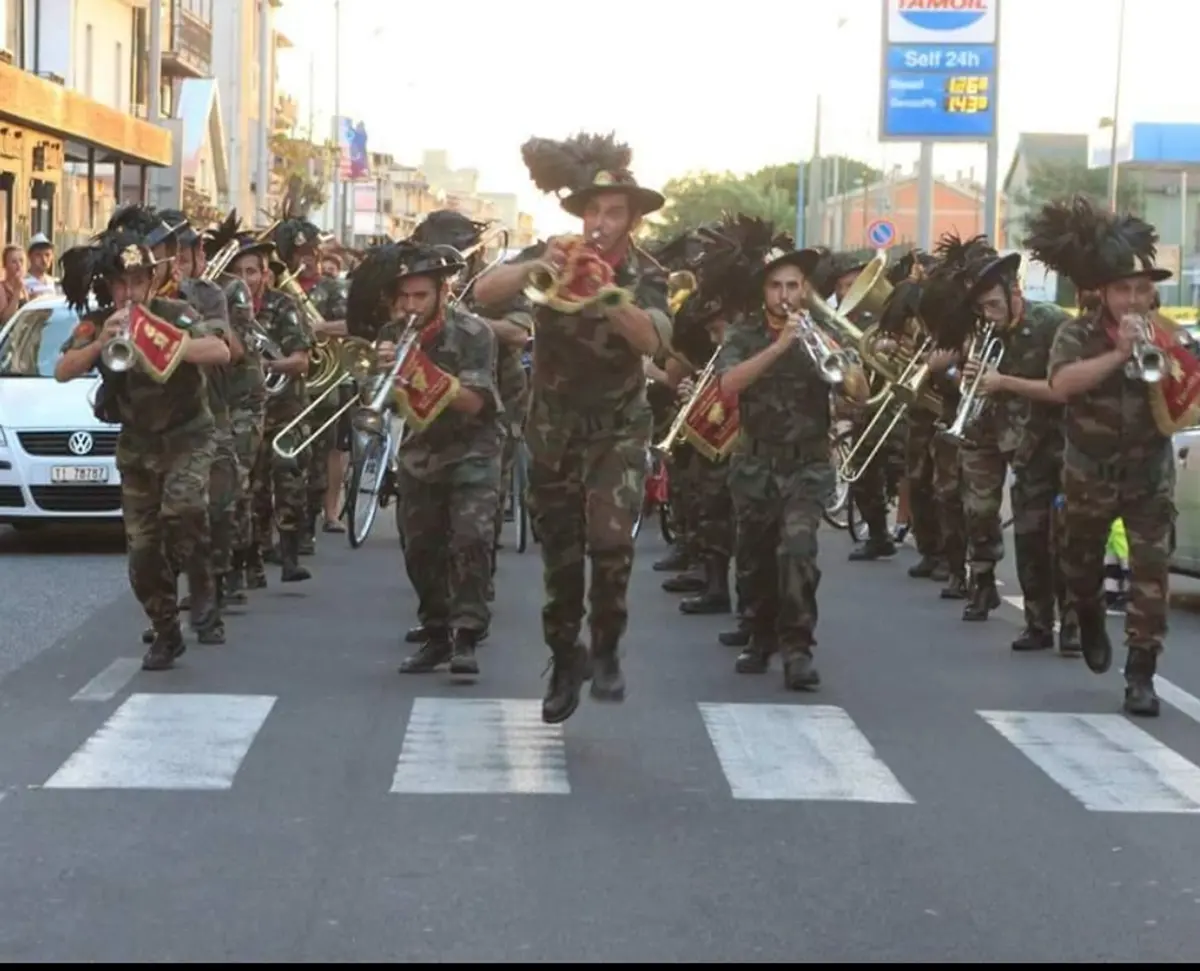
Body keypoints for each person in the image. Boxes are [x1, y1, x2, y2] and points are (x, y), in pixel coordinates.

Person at [473, 132, 672, 724]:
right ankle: (566, 658)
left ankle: (607, 647)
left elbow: (654, 339)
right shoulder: (551, 251)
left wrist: (603, 291)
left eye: (614, 213)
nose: (600, 224)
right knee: (560, 555)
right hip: (553, 427)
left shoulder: (647, 274)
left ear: (632, 220)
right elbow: (482, 295)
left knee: (611, 542)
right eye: (592, 211)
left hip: (617, 428)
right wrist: (540, 266)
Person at [1031, 195, 1197, 716]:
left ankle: (1141, 673)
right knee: (1079, 566)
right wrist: (1119, 355)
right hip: (1087, 473)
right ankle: (1087, 611)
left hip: (1148, 475)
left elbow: (1188, 395)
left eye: (1141, 290)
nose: (1132, 299)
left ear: (1153, 295)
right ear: (1102, 294)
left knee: (1151, 572)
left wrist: (1170, 363)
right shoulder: (1075, 334)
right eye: (1122, 290)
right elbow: (1061, 387)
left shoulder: (1169, 337)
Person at [54, 223, 231, 669]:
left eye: (137, 282)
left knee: (184, 511)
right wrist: (100, 342)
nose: (129, 292)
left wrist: (166, 341)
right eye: (121, 284)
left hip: (188, 435)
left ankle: (203, 578)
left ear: (152, 281)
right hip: (138, 448)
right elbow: (62, 369)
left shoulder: (176, 312)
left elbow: (221, 350)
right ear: (110, 285)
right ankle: (167, 632)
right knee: (143, 552)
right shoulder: (98, 322)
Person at [710, 215, 870, 689]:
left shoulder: (824, 331)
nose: (785, 294)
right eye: (777, 285)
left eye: (794, 285)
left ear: (805, 290)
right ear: (764, 291)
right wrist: (780, 347)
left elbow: (857, 393)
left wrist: (847, 376)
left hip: (808, 464)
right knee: (756, 557)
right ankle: (760, 637)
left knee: (798, 551)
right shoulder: (745, 334)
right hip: (756, 462)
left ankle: (798, 650)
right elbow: (727, 385)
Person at [348, 241, 502, 678]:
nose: (411, 307)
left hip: (474, 449)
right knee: (420, 547)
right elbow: (381, 403)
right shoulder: (390, 335)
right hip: (422, 452)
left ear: (442, 292)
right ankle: (436, 634)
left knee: (470, 539)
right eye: (404, 298)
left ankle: (467, 634)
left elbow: (475, 402)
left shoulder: (475, 333)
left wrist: (422, 372)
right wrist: (381, 374)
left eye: (421, 296)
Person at [227, 233, 313, 586]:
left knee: (289, 476)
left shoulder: (284, 306)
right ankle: (253, 563)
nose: (246, 279)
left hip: (285, 408)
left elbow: (301, 361)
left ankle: (290, 556)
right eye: (238, 273)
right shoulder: (225, 310)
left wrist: (270, 367)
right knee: (251, 490)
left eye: (252, 272)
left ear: (265, 275)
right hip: (245, 411)